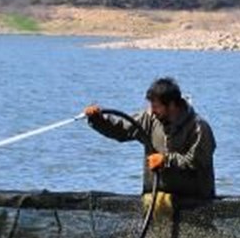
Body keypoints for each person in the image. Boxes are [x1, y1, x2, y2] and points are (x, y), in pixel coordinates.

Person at [84, 77, 216, 200]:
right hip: (155, 200)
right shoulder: (149, 119)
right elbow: (120, 130)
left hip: (194, 203)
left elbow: (198, 162)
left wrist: (165, 160)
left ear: (171, 105)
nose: (152, 111)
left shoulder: (199, 128)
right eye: (151, 106)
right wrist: (98, 119)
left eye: (156, 107)